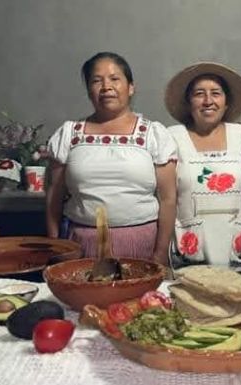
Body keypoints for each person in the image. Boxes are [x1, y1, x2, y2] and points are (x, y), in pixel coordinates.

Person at [46, 52, 177, 265]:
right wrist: (54, 246)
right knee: (83, 298)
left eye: (115, 79)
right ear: (89, 90)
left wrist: (161, 253)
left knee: (138, 299)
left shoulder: (154, 134)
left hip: (141, 243)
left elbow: (169, 199)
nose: (106, 86)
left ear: (131, 87)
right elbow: (54, 195)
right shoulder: (69, 134)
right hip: (81, 243)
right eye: (97, 80)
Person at [164, 62, 241, 270]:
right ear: (188, 102)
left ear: (227, 102)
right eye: (199, 94)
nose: (208, 101)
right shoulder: (171, 137)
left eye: (216, 93)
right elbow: (165, 199)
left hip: (236, 251)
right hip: (190, 254)